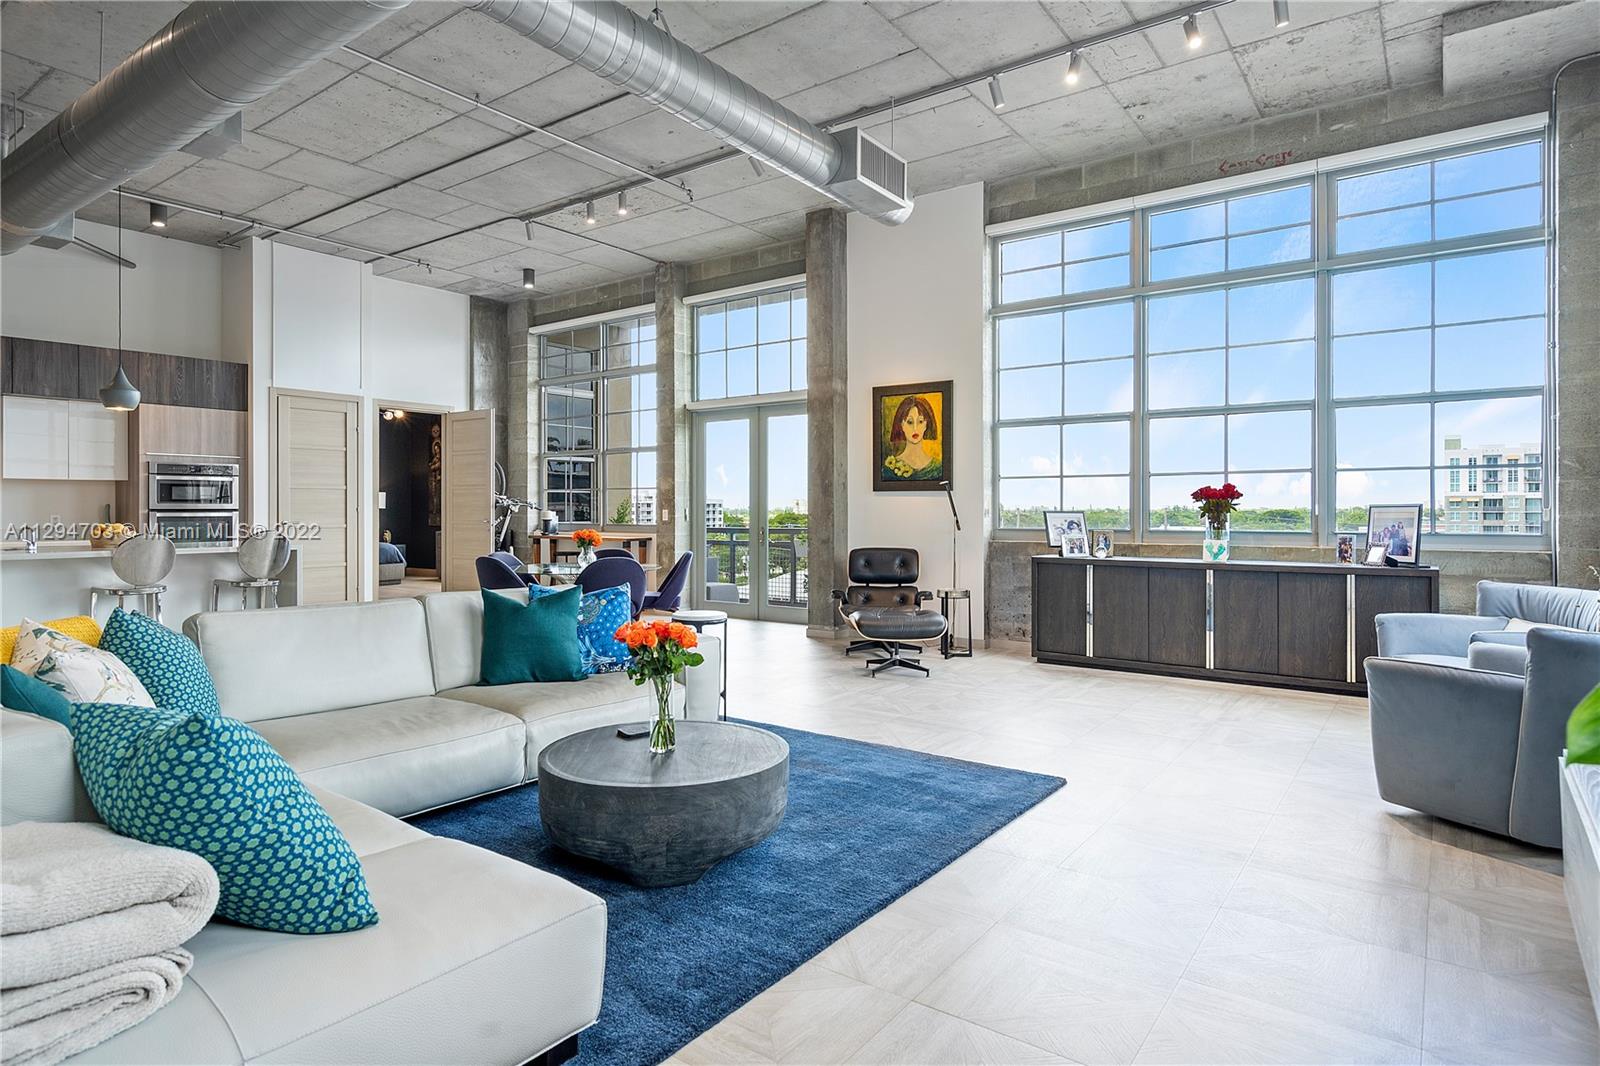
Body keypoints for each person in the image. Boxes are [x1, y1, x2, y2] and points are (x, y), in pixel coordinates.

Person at [882, 394, 942, 481]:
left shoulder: (938, 468)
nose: (915, 428)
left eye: (920, 421)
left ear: (926, 425)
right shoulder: (889, 469)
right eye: (910, 422)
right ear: (902, 425)